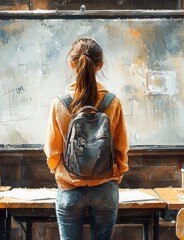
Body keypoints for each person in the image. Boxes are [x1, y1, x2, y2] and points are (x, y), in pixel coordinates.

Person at [44, 37, 129, 240]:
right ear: (99, 66)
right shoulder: (113, 103)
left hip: (70, 188)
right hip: (105, 189)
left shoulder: (59, 104)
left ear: (72, 64)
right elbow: (121, 149)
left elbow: (52, 154)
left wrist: (62, 173)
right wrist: (116, 175)